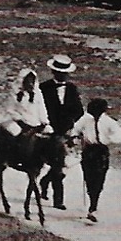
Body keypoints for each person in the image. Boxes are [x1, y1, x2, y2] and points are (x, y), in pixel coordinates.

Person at [38, 55, 84, 209]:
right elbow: (39, 109)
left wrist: (73, 126)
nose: (62, 75)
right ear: (53, 72)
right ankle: (58, 200)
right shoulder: (43, 88)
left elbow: (79, 111)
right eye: (58, 72)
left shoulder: (72, 89)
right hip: (48, 131)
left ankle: (46, 184)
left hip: (65, 132)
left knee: (59, 166)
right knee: (57, 166)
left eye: (64, 73)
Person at [72, 98, 121, 223]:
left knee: (99, 178)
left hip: (101, 151)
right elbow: (75, 130)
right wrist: (76, 138)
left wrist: (109, 139)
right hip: (88, 151)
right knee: (89, 178)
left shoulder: (109, 122)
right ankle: (92, 198)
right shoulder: (85, 119)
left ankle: (93, 206)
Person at [0, 68, 50, 137]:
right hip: (20, 122)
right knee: (16, 133)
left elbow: (41, 108)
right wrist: (20, 120)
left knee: (49, 134)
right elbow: (10, 110)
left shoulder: (37, 93)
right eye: (28, 81)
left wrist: (44, 122)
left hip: (35, 122)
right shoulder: (16, 93)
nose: (30, 84)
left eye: (32, 81)